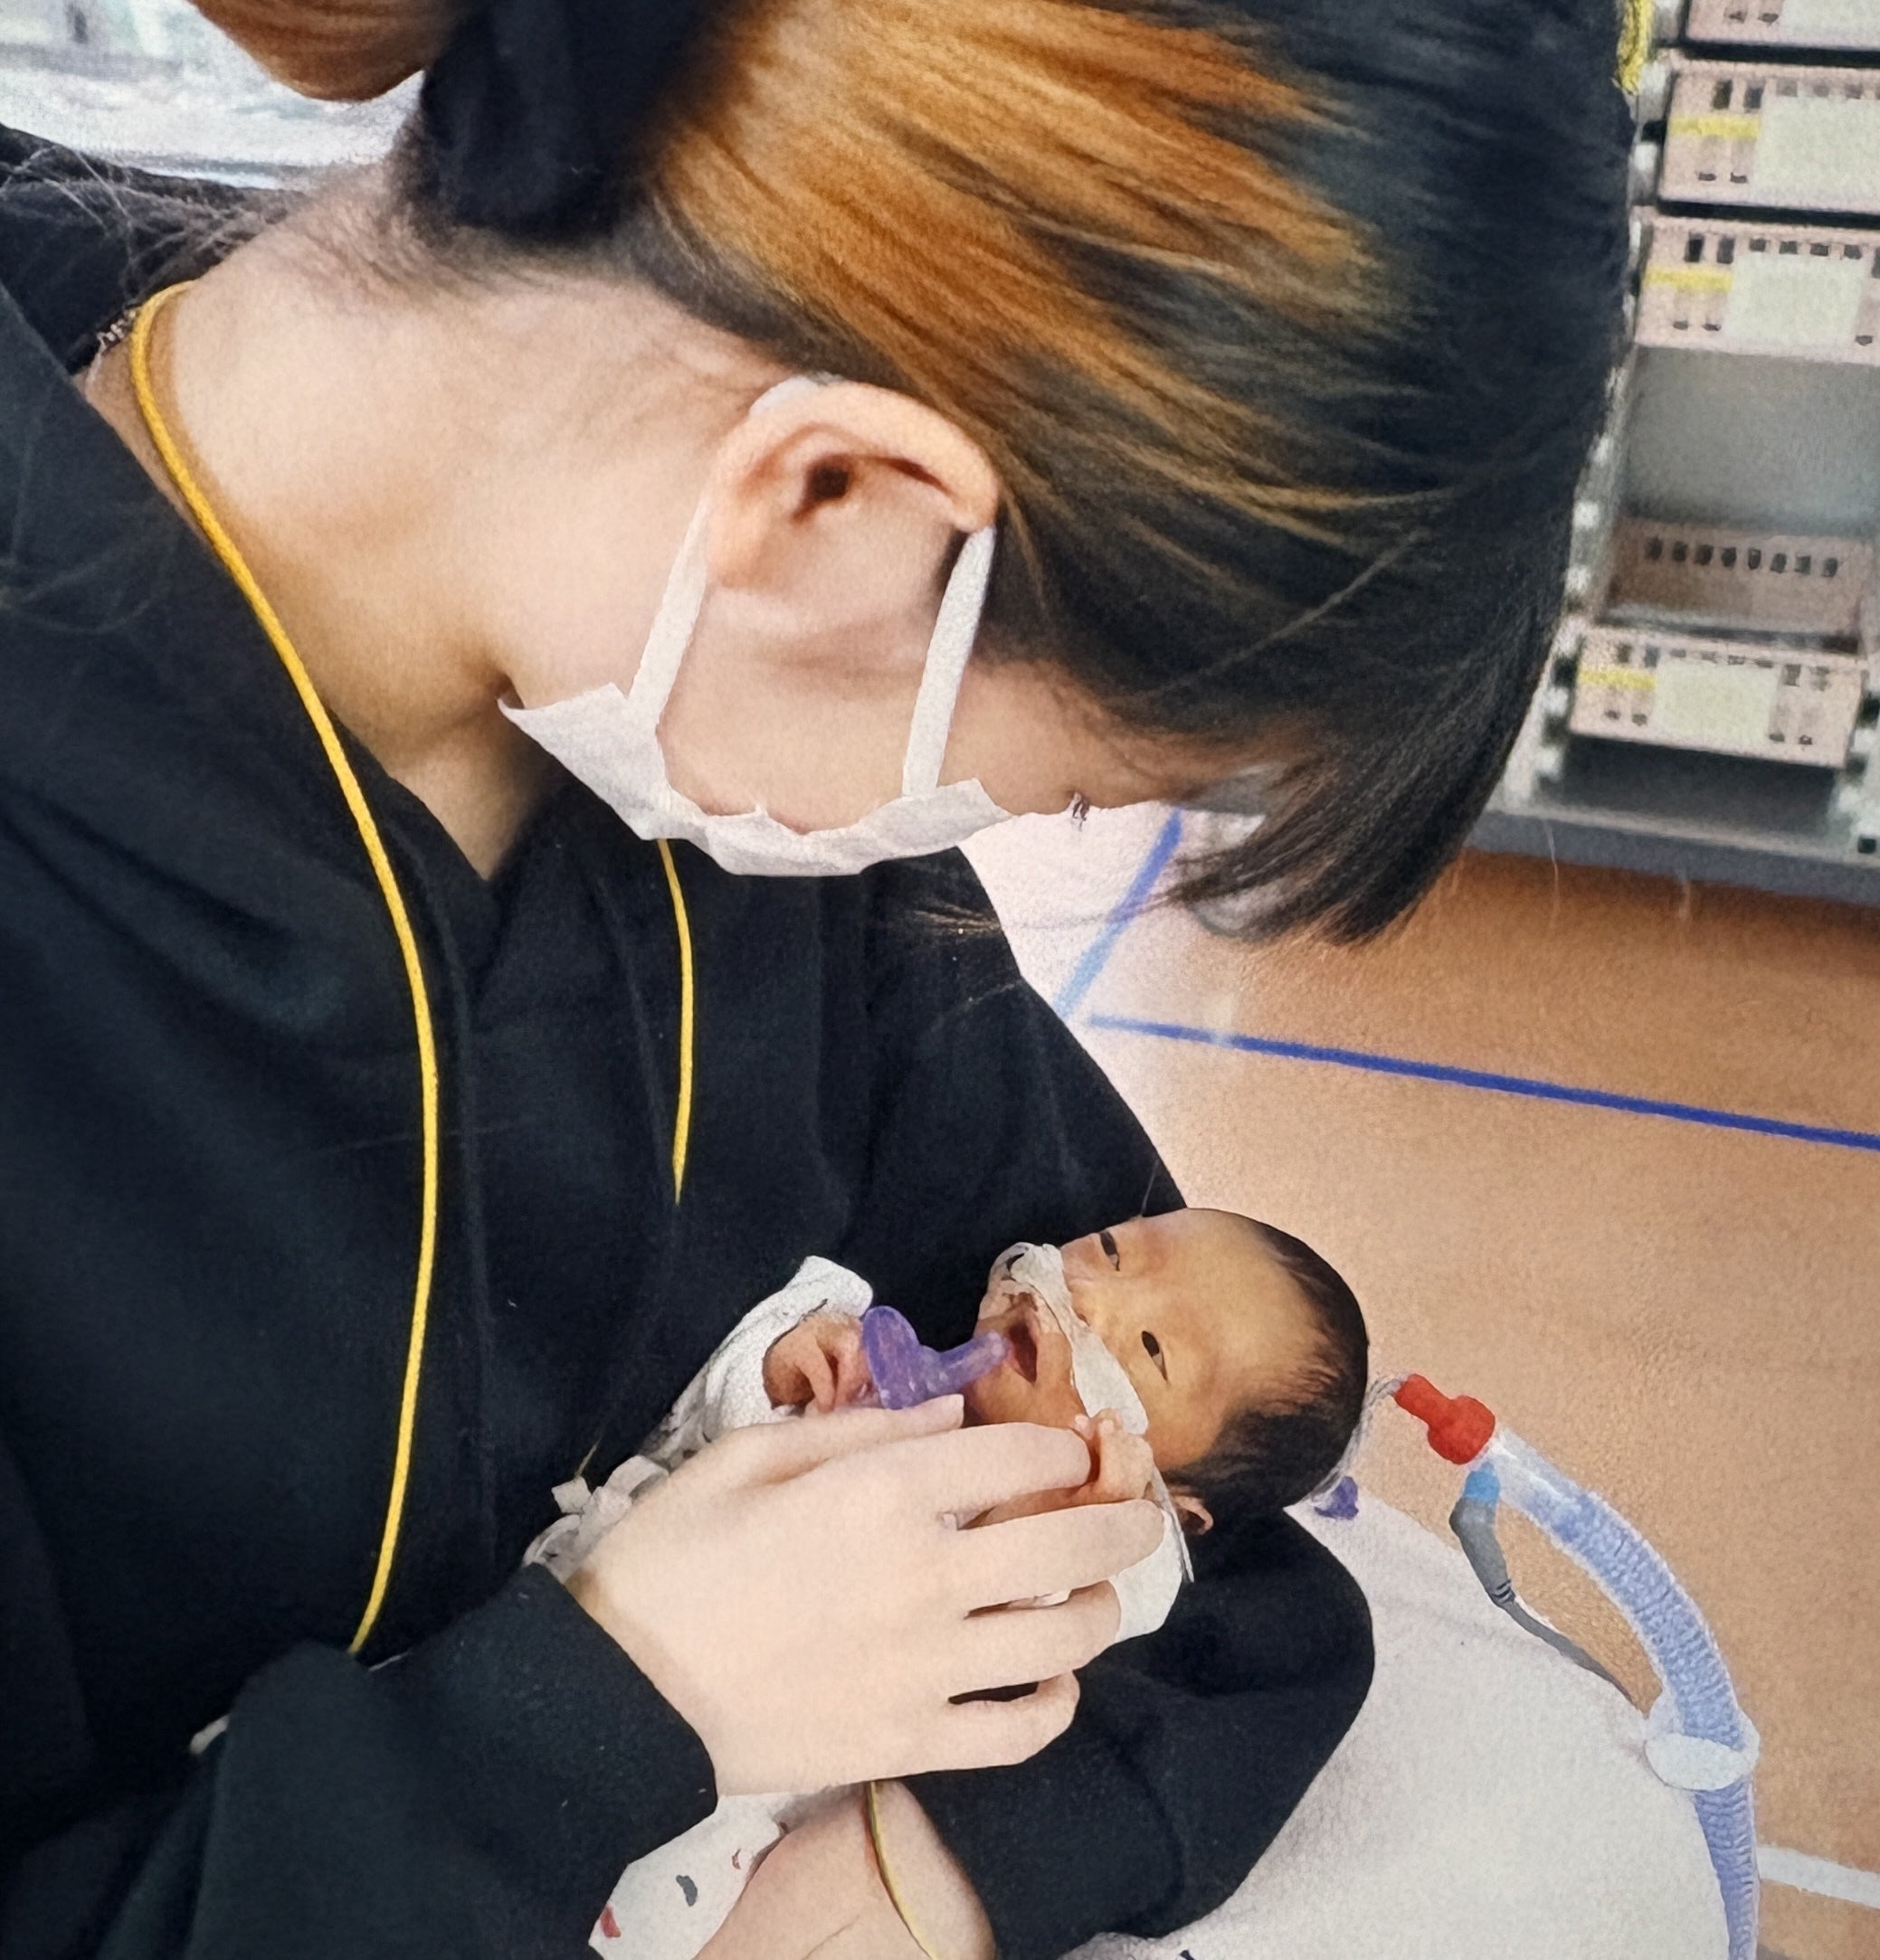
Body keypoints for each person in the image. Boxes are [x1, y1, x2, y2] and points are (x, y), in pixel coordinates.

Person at [0, 0, 1629, 1953]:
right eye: (1066, 783)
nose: (973, 836)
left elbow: (1212, 1532)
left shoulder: (756, 854)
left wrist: (913, 1871)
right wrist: (608, 1707)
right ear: (833, 506)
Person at [555, 1210, 1371, 1958]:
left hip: (712, 1808)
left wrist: (1046, 1522)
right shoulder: (865, 1340)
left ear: (1166, 1500)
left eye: (1152, 1349)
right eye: (1113, 1249)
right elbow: (692, 1413)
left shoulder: (1090, 1556)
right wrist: (779, 1363)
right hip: (580, 1617)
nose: (1090, 1299)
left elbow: (988, 1666)